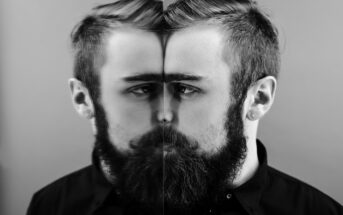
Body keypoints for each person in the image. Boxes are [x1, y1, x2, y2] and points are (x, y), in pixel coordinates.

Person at [27, 0, 343, 214]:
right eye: (142, 89)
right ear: (84, 100)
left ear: (258, 98)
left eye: (186, 89)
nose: (164, 114)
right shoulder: (52, 205)